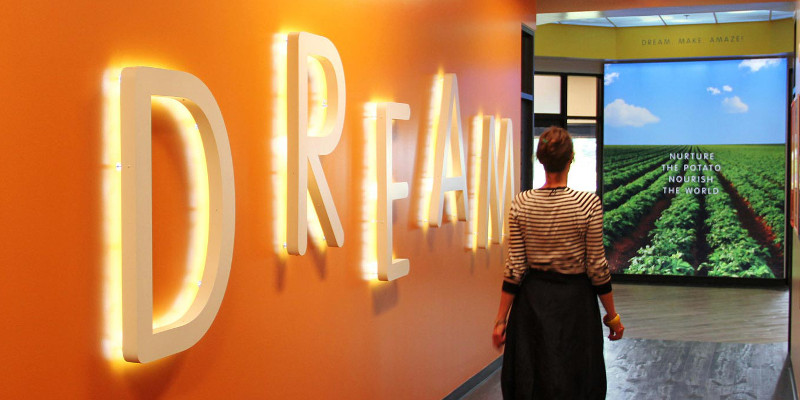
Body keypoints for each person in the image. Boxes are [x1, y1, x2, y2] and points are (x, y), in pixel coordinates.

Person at [492, 126, 624, 399]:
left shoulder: (521, 203)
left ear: (540, 160)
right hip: (576, 304)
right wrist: (612, 317)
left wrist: (500, 319)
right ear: (571, 159)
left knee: (534, 379)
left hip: (532, 303)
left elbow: (515, 267)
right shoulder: (587, 204)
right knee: (576, 379)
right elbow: (597, 267)